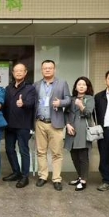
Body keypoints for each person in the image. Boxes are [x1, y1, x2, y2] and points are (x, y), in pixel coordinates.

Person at [33, 60, 72, 190]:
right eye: (45, 68)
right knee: (41, 152)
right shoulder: (36, 85)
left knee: (57, 153)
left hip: (56, 123)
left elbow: (69, 99)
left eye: (50, 68)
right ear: (42, 70)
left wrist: (60, 103)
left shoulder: (62, 83)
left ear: (54, 69)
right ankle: (43, 176)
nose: (47, 70)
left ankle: (56, 179)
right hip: (40, 122)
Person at [3, 63, 36, 188]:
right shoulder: (8, 88)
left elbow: (32, 103)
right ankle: (16, 172)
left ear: (25, 72)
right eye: (16, 71)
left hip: (23, 125)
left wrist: (23, 103)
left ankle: (25, 176)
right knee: (9, 149)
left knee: (23, 151)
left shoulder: (30, 88)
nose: (18, 72)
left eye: (21, 70)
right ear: (13, 73)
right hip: (9, 124)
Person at [64, 77, 95, 192]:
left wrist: (81, 105)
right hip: (71, 130)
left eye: (84, 84)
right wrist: (67, 124)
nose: (81, 86)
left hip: (83, 129)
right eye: (79, 84)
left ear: (87, 87)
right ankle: (80, 176)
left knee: (83, 156)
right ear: (76, 87)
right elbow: (65, 113)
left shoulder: (90, 98)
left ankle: (83, 181)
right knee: (74, 155)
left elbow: (88, 113)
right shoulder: (71, 99)